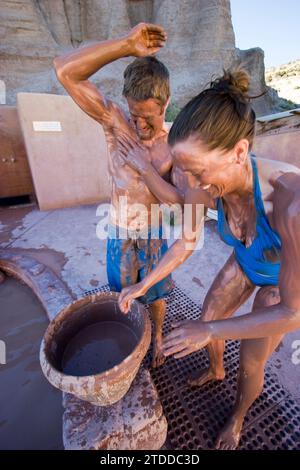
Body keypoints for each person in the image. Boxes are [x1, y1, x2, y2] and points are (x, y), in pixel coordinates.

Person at [118, 69, 300, 449]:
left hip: (281, 289)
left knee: (250, 362)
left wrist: (211, 333)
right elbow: (186, 241)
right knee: (209, 314)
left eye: (197, 171)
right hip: (245, 261)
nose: (193, 186)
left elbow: (293, 311)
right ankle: (216, 371)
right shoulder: (203, 181)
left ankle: (236, 417)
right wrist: (143, 283)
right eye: (185, 171)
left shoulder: (289, 201)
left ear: (239, 152)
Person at [53, 22, 175, 368]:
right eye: (133, 114)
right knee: (122, 296)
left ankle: (159, 337)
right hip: (119, 231)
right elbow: (64, 70)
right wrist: (125, 45)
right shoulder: (115, 122)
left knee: (157, 294)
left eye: (147, 117)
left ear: (166, 103)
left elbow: (180, 204)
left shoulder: (173, 145)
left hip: (153, 232)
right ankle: (130, 341)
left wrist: (145, 168)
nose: (138, 125)